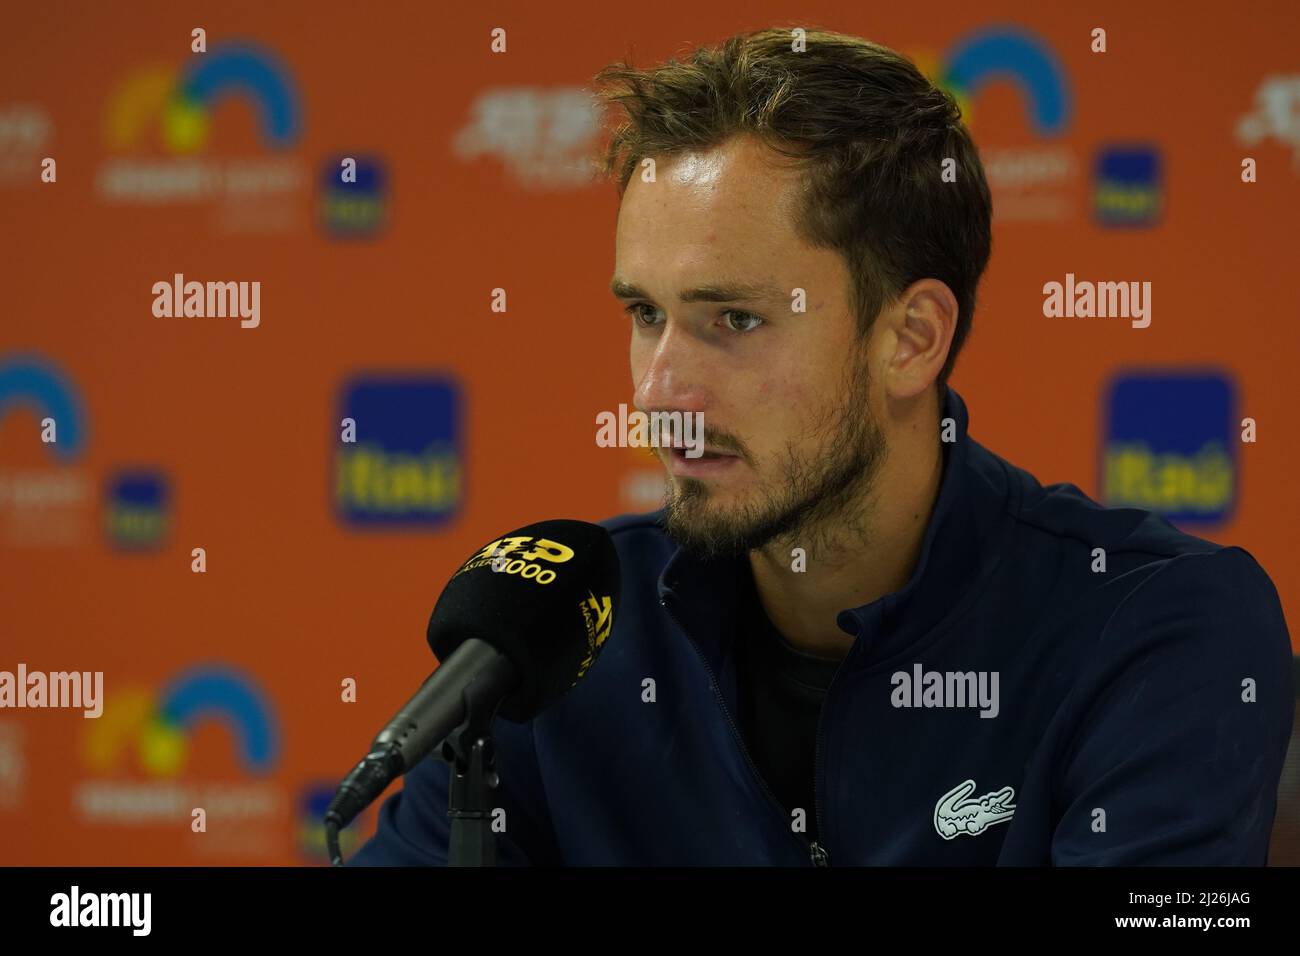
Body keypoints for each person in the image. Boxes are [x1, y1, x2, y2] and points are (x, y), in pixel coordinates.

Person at [349, 27, 1293, 866]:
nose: (658, 390)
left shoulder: (1157, 627)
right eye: (645, 313)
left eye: (734, 318)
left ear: (911, 338)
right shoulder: (559, 635)